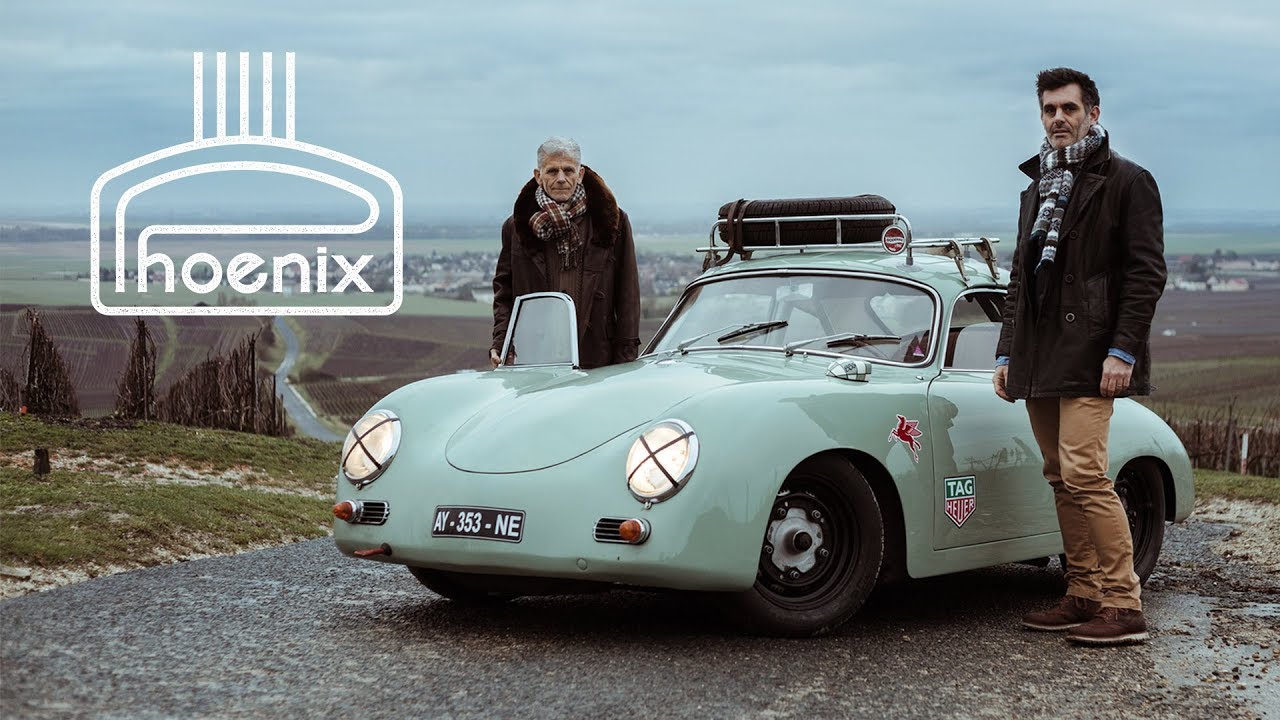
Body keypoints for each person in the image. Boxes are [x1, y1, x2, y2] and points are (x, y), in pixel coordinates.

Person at [993, 68, 1166, 646]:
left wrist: (1123, 351)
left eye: (1069, 108)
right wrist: (1006, 353)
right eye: (1049, 110)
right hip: (1040, 355)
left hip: (1095, 353)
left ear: (1092, 111)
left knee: (1086, 473)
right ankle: (1084, 591)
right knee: (1059, 475)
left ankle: (1124, 603)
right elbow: (1021, 280)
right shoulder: (1038, 185)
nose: (1058, 118)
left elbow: (1144, 275)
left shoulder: (1127, 181)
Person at [490, 137, 641, 370]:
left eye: (568, 170)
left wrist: (626, 358)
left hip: (597, 357)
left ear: (580, 174)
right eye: (552, 171)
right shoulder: (516, 228)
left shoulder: (612, 222)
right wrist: (501, 342)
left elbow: (628, 293)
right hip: (533, 356)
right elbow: (504, 291)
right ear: (538, 176)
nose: (561, 178)